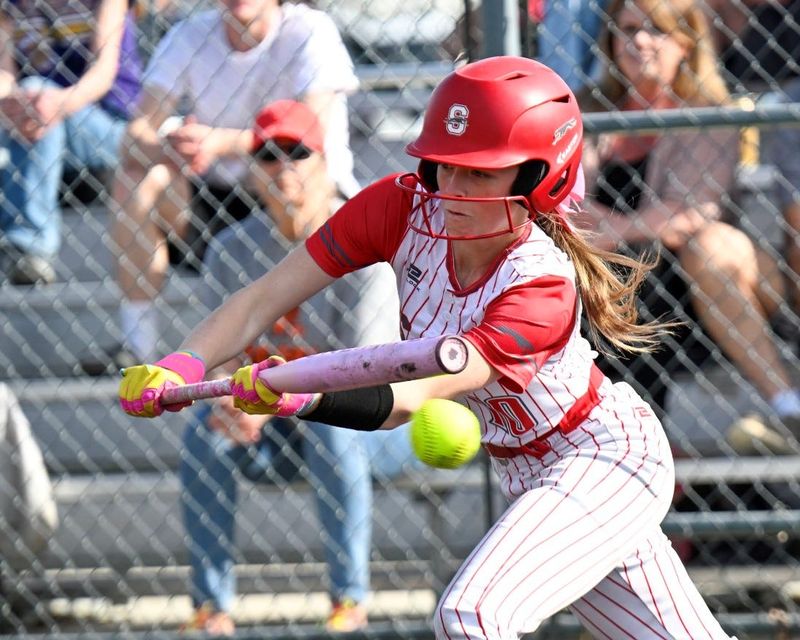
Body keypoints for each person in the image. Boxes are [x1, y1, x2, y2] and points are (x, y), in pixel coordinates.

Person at [119, 55, 736, 638]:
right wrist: (178, 365)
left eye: (480, 170)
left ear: (542, 176)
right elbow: (263, 298)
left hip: (602, 459)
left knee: (471, 615)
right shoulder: (402, 206)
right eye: (444, 164)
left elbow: (412, 392)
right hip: (528, 470)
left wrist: (295, 396)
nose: (452, 188)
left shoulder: (541, 285)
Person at [179, 100, 411, 635]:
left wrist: (266, 399)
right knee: (203, 434)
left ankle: (349, 603)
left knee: (334, 430)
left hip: (380, 424)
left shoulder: (364, 243)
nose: (283, 167)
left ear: (325, 160)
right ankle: (211, 610)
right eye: (267, 156)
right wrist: (231, 406)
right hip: (275, 424)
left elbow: (363, 372)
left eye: (297, 152)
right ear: (253, 173)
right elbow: (224, 355)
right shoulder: (230, 250)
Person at [579, 0, 800, 454]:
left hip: (681, 287)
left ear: (685, 42)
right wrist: (619, 228)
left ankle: (787, 406)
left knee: (707, 246)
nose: (638, 41)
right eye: (627, 29)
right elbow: (561, 204)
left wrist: (612, 226)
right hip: (603, 277)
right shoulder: (585, 108)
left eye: (655, 30)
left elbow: (692, 214)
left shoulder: (707, 112)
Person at [106, 0, 359, 367]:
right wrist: (174, 147)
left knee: (290, 171)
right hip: (218, 199)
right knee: (136, 176)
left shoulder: (309, 30)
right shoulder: (190, 34)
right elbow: (133, 137)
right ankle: (138, 345)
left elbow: (310, 130)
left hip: (300, 197)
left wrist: (221, 142)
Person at [0, 0, 142, 285]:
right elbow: (5, 75)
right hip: (38, 119)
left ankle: (31, 246)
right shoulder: (10, 6)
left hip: (106, 124)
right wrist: (13, 103)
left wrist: (54, 104)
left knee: (37, 96)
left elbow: (101, 74)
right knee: (32, 97)